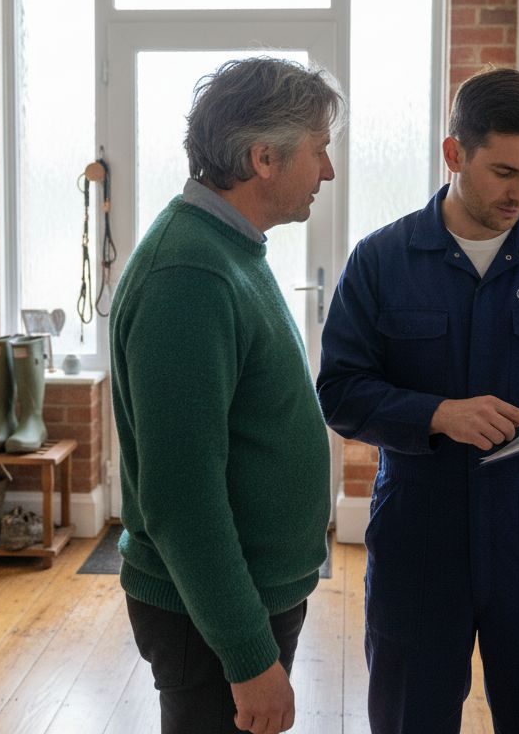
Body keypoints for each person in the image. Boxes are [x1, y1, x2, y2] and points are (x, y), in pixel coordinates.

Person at [316, 67, 519, 733]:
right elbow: (340, 392)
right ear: (454, 154)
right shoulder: (382, 260)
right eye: (504, 172)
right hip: (419, 527)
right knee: (411, 716)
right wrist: (438, 414)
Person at [110, 57, 344, 734]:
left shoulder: (230, 248)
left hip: (239, 597)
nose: (327, 172)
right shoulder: (190, 273)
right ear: (264, 158)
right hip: (207, 616)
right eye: (319, 151)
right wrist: (247, 657)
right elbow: (182, 497)